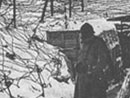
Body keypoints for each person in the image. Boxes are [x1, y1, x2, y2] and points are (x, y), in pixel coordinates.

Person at [74, 23, 115, 98]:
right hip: (82, 82)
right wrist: (78, 66)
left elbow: (103, 61)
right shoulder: (83, 44)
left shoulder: (98, 43)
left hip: (95, 83)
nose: (82, 37)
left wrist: (89, 69)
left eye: (84, 34)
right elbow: (80, 58)